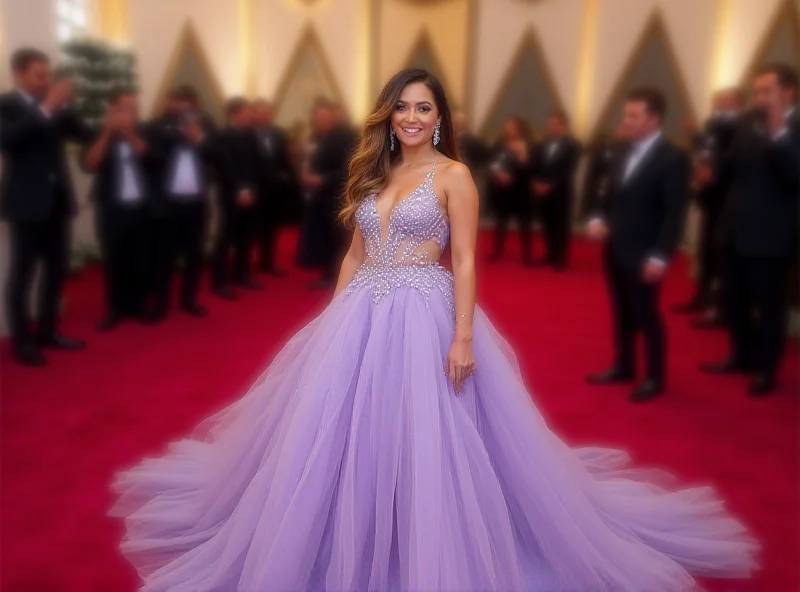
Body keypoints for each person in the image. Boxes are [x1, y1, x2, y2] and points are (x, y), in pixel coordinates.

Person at [111, 69, 757, 591]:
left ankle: (426, 541)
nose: (412, 118)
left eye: (423, 108)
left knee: (427, 432)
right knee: (343, 432)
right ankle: (347, 534)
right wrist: (331, 321)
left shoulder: (454, 176)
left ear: (440, 116)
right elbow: (356, 253)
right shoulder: (372, 170)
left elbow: (467, 259)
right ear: (389, 114)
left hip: (424, 310)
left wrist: (464, 336)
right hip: (360, 311)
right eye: (402, 108)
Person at [586, 87, 690, 402]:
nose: (626, 121)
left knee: (647, 314)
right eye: (626, 115)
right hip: (617, 246)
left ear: (654, 119)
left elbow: (675, 213)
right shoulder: (620, 151)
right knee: (622, 310)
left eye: (633, 115)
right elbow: (608, 196)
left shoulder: (673, 158)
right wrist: (597, 217)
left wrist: (661, 255)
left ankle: (654, 376)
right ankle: (624, 365)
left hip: (647, 251)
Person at [701, 63, 799, 396]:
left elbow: (794, 177)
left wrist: (778, 134)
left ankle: (766, 369)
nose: (760, 98)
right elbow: (732, 165)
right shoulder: (747, 122)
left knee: (769, 306)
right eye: (757, 91)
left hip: (772, 235)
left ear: (789, 92)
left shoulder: (795, 127)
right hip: (734, 229)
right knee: (734, 300)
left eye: (767, 91)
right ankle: (740, 356)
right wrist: (711, 174)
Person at [0, 48, 93, 367]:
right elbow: (8, 140)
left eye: (47, 75)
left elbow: (87, 135)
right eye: (39, 75)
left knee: (56, 273)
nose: (45, 81)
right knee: (22, 276)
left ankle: (49, 331)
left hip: (57, 203)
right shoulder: (7, 106)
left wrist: (66, 107)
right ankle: (22, 342)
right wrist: (46, 108)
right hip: (25, 205)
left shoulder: (57, 108)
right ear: (20, 74)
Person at [83, 88, 153, 332]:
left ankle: (138, 305)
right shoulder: (101, 134)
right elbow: (89, 163)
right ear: (112, 111)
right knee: (114, 259)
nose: (129, 114)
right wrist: (108, 132)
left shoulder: (145, 132)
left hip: (141, 207)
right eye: (123, 109)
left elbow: (154, 160)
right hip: (112, 208)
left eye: (133, 109)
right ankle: (115, 309)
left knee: (141, 257)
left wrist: (131, 135)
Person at [673, 88, 743, 325]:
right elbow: (707, 150)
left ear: (737, 102)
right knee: (705, 250)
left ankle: (719, 306)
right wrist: (696, 137)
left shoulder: (743, 126)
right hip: (710, 196)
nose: (719, 105)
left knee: (723, 254)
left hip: (729, 197)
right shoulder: (713, 124)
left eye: (724, 101)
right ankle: (701, 296)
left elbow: (730, 157)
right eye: (717, 101)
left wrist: (711, 168)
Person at [146, 86, 214, 320]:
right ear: (169, 102)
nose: (182, 107)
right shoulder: (157, 126)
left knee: (194, 253)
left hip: (196, 202)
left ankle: (189, 299)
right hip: (168, 202)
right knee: (163, 255)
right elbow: (151, 157)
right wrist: (179, 136)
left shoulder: (205, 124)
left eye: (187, 102)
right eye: (177, 101)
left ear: (195, 104)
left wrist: (200, 139)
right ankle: (161, 302)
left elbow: (217, 155)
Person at [302, 99, 358, 289]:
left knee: (338, 239)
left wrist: (323, 179)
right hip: (319, 197)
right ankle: (329, 273)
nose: (322, 120)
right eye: (318, 117)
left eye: (325, 116)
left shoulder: (345, 137)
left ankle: (337, 277)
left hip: (338, 196)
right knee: (324, 237)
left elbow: (349, 168)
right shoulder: (317, 137)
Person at [210, 97, 260, 299]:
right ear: (235, 113)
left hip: (250, 194)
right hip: (231, 195)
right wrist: (240, 191)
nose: (250, 115)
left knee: (245, 237)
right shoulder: (222, 135)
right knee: (225, 238)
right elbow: (225, 166)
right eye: (246, 111)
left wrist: (252, 190)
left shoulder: (250, 135)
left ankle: (241, 274)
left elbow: (255, 164)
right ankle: (220, 281)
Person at [531, 110, 581, 270]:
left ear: (563, 126)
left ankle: (560, 257)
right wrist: (536, 182)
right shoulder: (542, 144)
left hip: (561, 192)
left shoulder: (573, 145)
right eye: (550, 124)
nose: (551, 128)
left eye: (555, 125)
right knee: (547, 224)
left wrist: (550, 185)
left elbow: (569, 169)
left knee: (561, 225)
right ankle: (550, 253)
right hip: (543, 192)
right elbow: (536, 164)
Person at [250, 99, 293, 277]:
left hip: (275, 191)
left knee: (272, 228)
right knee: (252, 229)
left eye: (267, 112)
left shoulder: (279, 134)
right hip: (254, 190)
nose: (264, 116)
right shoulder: (247, 135)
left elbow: (286, 160)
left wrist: (286, 176)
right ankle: (248, 265)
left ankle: (268, 262)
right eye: (260, 112)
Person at [487, 115, 535, 265]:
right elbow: (492, 161)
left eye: (512, 126)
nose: (508, 129)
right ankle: (497, 250)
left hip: (520, 189)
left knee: (524, 222)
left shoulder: (527, 145)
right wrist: (499, 173)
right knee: (501, 220)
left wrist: (522, 154)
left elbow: (528, 167)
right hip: (502, 189)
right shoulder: (500, 143)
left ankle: (527, 254)